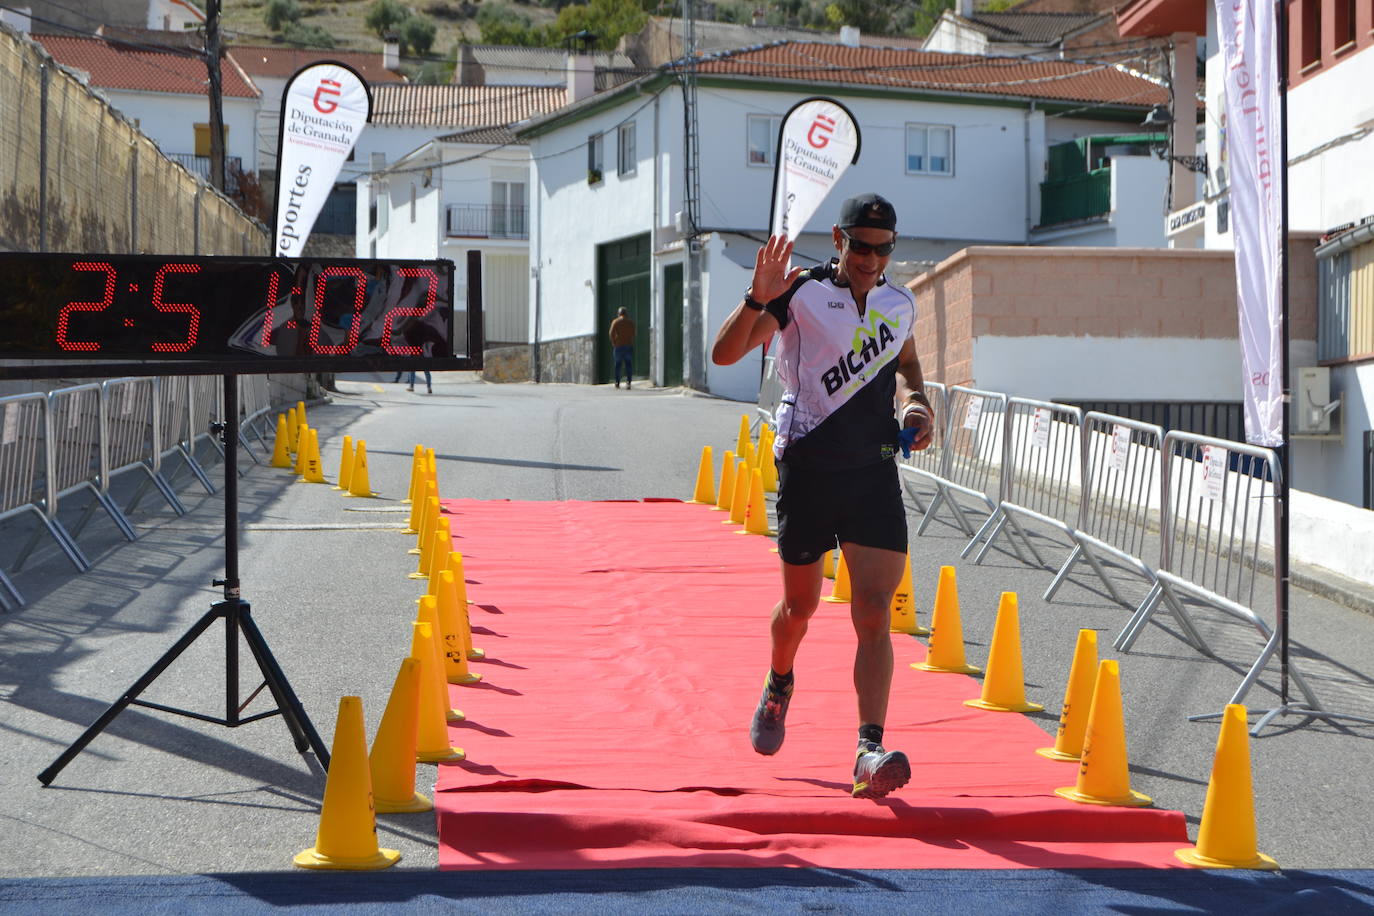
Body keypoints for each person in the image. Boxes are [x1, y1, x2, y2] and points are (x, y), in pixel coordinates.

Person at [710, 193, 935, 800]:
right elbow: (725, 354)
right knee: (800, 611)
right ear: (838, 238)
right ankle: (779, 681)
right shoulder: (799, 293)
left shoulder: (899, 302)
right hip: (808, 469)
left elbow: (906, 360)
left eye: (882, 249)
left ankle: (869, 748)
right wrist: (760, 295)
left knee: (873, 612)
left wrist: (916, 402)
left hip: (873, 472)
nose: (870, 259)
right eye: (859, 246)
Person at [608, 306, 636, 389]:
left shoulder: (616, 322)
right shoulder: (630, 322)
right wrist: (630, 341)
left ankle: (617, 382)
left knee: (618, 365)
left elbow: (611, 333)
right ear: (626, 313)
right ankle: (628, 382)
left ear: (619, 313)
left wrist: (614, 342)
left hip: (618, 346)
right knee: (628, 364)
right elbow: (633, 333)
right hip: (628, 345)